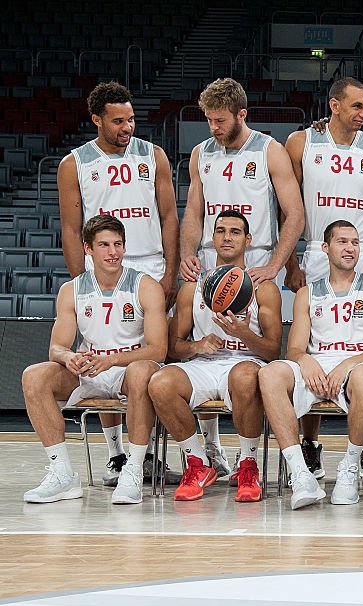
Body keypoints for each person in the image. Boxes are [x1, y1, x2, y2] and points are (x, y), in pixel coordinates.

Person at [285, 77, 363, 484]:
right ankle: (310, 443)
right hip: (319, 250)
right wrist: (287, 262)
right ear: (334, 105)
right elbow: (286, 206)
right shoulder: (302, 143)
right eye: (357, 107)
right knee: (317, 345)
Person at [58, 81, 180, 486]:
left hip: (149, 265)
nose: (128, 126)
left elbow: (168, 217)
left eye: (131, 119)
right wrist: (83, 284)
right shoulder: (75, 163)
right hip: (104, 267)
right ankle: (117, 454)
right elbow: (72, 228)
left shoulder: (153, 155)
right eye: (118, 121)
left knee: (163, 361)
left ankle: (198, 450)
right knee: (103, 352)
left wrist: (170, 273)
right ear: (96, 120)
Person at [178, 77, 303, 473]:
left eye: (219, 120)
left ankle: (248, 458)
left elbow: (294, 214)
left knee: (247, 352)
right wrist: (186, 254)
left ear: (241, 115)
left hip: (256, 263)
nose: (212, 127)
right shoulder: (201, 153)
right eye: (208, 120)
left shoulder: (269, 151)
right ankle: (210, 448)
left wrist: (276, 264)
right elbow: (193, 212)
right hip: (212, 263)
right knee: (205, 346)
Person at [22, 215, 166, 505]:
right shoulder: (71, 290)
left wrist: (112, 360)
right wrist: (70, 357)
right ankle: (62, 474)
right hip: (90, 369)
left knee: (140, 372)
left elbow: (158, 350)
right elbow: (57, 348)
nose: (113, 252)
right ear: (88, 248)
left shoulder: (145, 285)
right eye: (104, 245)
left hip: (129, 367)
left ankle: (133, 470)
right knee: (34, 375)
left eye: (118, 245)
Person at [258, 220, 363, 508]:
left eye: (355, 243)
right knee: (270, 373)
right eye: (342, 241)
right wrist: (304, 359)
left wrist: (348, 363)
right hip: (318, 365)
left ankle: (350, 467)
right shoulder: (308, 292)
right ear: (325, 248)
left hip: (358, 364)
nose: (350, 248)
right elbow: (294, 347)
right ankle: (300, 473)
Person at [149, 210, 282, 503]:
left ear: (248, 240)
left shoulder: (264, 288)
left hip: (246, 363)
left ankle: (247, 466)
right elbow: (173, 347)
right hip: (204, 365)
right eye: (221, 231)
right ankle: (198, 464)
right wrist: (198, 346)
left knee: (245, 376)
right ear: (212, 238)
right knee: (160, 382)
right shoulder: (193, 289)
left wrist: (243, 333)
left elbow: (274, 351)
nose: (227, 237)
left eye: (235, 232)